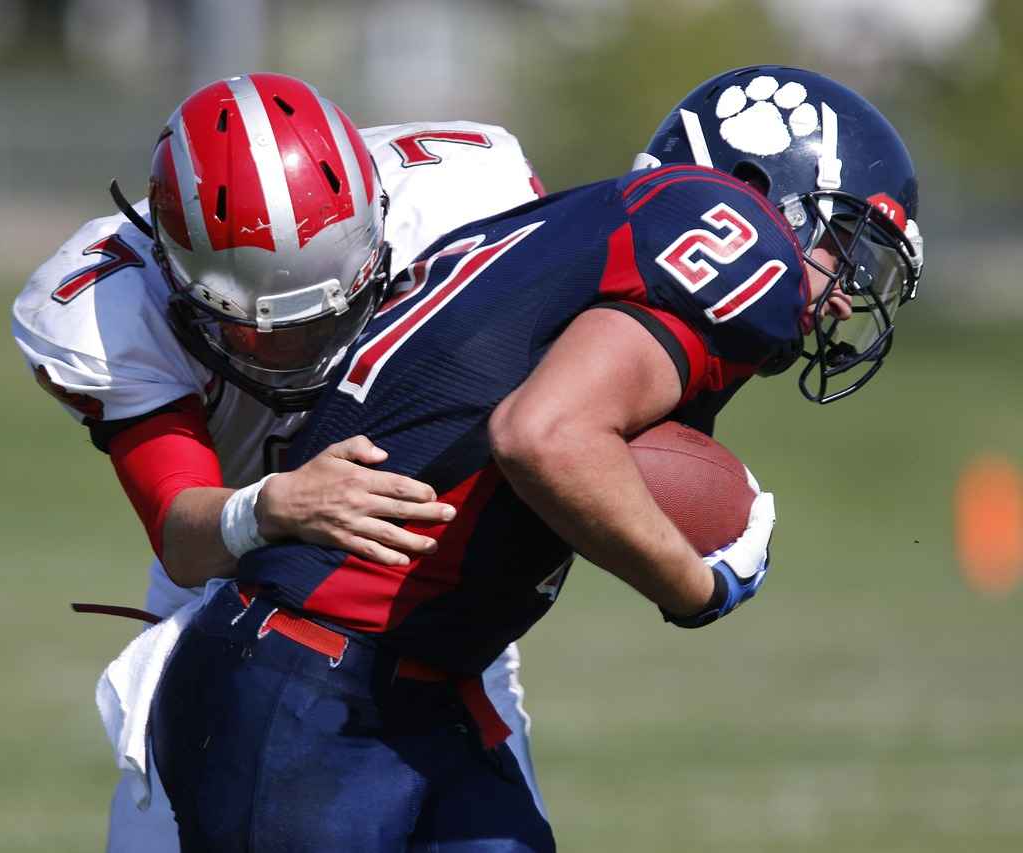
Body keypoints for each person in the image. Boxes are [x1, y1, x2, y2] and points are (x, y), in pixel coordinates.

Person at [145, 66, 925, 851]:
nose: (848, 297)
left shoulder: (569, 229)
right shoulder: (739, 236)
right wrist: (702, 586)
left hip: (402, 689)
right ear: (764, 189)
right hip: (308, 688)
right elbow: (544, 436)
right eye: (848, 246)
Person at [11, 73, 548, 852]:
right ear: (176, 274)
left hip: (425, 599)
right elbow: (185, 533)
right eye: (268, 331)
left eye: (335, 313)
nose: (310, 352)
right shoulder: (103, 304)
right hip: (228, 608)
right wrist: (271, 507)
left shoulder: (467, 196)